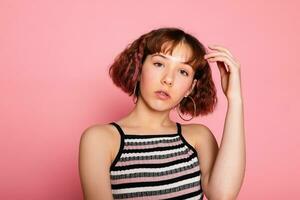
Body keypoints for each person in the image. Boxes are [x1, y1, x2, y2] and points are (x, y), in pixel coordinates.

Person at [79, 27, 245, 200]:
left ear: (190, 87)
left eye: (183, 72)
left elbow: (223, 196)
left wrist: (235, 99)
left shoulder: (198, 137)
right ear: (139, 68)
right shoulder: (100, 139)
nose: (168, 79)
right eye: (159, 64)